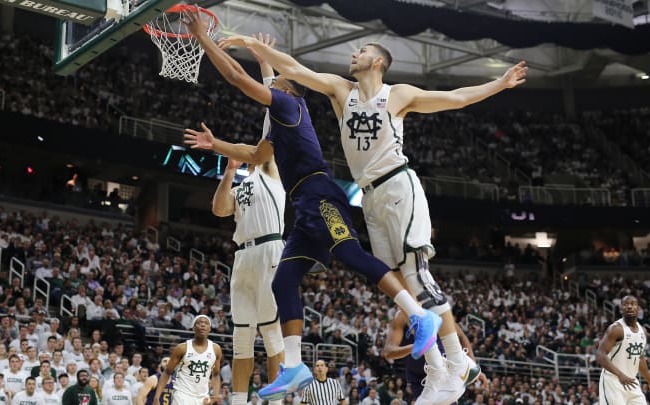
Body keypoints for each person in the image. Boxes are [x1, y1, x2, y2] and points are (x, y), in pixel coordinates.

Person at [220, 32, 528, 404]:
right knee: (396, 280)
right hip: (370, 197)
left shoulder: (397, 95)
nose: (354, 53)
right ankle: (439, 367)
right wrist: (259, 50)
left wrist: (501, 82)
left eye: (362, 50)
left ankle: (459, 362)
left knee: (414, 274)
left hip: (398, 184)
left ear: (378, 62)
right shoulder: (339, 90)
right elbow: (294, 68)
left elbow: (456, 99)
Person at [182, 9, 442, 400]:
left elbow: (238, 78)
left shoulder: (289, 107)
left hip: (321, 194)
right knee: (283, 281)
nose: (272, 82)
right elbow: (254, 154)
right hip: (303, 206)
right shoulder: (281, 121)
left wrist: (203, 39)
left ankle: (420, 315)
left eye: (276, 82)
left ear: (286, 92)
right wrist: (215, 144)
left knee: (352, 255)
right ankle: (293, 367)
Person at [210, 34, 286, 405]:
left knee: (273, 337)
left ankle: (273, 402)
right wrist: (229, 172)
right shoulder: (245, 180)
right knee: (242, 338)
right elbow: (220, 211)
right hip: (242, 255)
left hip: (272, 249)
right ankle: (238, 402)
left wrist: (263, 61)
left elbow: (272, 109)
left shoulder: (271, 166)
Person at [382, 309, 488, 404]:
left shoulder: (437, 310)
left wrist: (473, 365)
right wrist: (416, 346)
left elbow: (461, 336)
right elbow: (388, 352)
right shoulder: (401, 317)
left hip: (446, 371)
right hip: (419, 378)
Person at [596, 295, 650, 404]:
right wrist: (620, 375)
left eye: (633, 304)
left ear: (638, 309)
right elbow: (600, 355)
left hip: (631, 382)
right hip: (613, 382)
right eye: (625, 304)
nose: (629, 306)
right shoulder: (616, 329)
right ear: (621, 309)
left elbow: (640, 358)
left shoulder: (643, 331)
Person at [152, 315, 222, 405]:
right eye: (199, 323)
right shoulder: (182, 348)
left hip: (203, 397)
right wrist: (157, 397)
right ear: (193, 328)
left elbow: (216, 375)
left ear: (209, 328)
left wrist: (215, 397)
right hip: (182, 395)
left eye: (206, 323)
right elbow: (167, 372)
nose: (203, 325)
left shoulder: (216, 349)